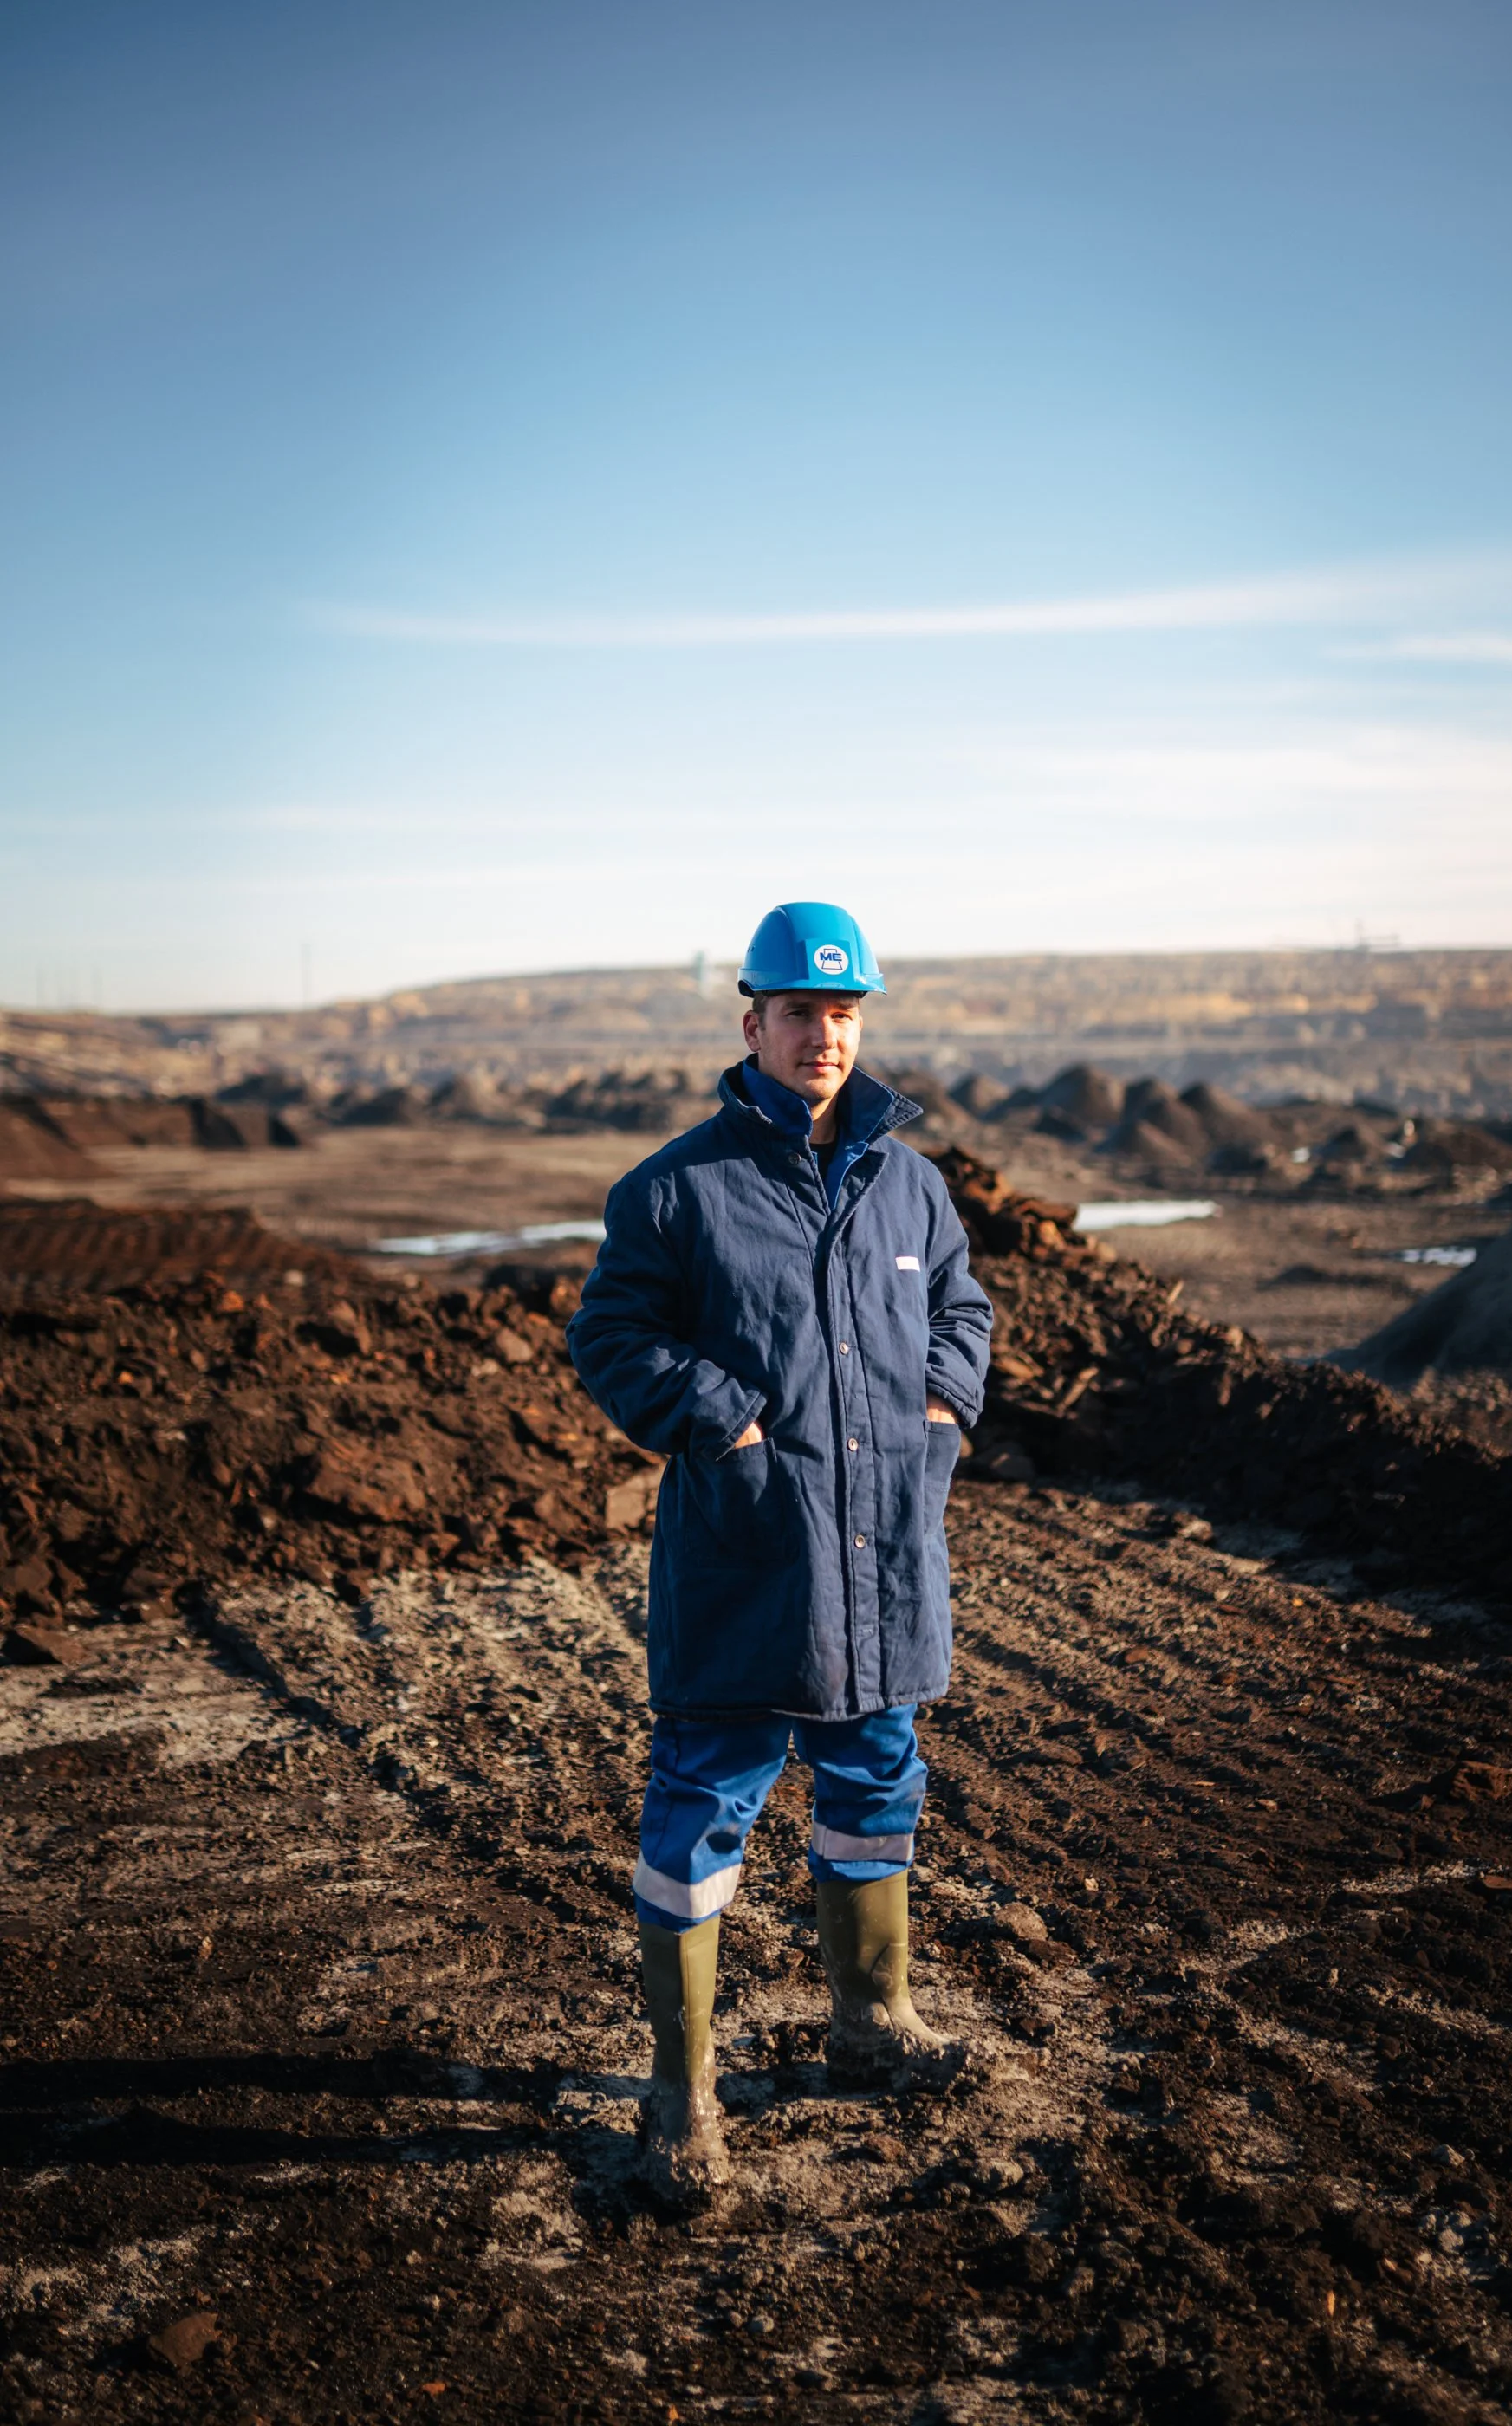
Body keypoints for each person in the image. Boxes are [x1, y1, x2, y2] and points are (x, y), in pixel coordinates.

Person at [567, 901, 993, 2204]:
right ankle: (681, 2093)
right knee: (703, 1809)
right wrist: (730, 1425)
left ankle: (871, 2022)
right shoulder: (676, 1189)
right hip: (754, 1565)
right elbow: (612, 1340)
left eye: (845, 1014)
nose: (825, 1034)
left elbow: (961, 1310)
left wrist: (939, 1413)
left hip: (885, 1564)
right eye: (801, 1012)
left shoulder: (910, 1181)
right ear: (751, 1020)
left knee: (877, 1786)